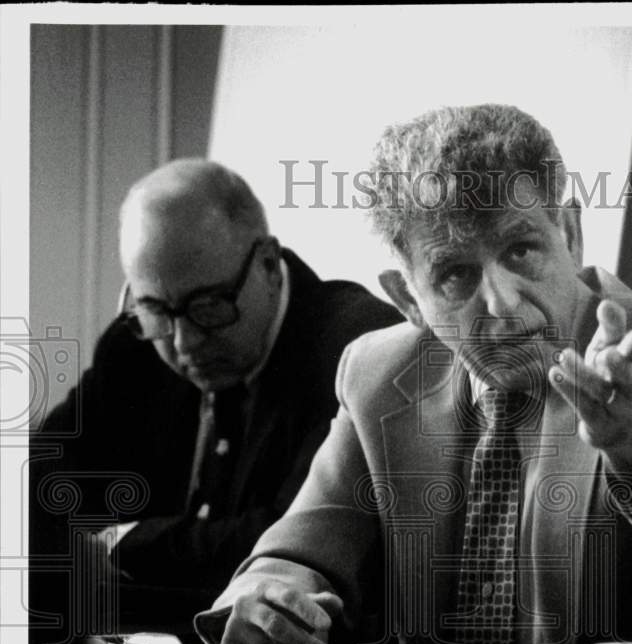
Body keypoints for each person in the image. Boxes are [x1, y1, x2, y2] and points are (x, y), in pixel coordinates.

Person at [196, 104, 632, 644]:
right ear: (406, 297)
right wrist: (269, 600)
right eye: (455, 274)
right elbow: (299, 550)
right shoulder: (376, 375)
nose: (502, 303)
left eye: (521, 250)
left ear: (569, 234)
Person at [31, 159, 401, 600]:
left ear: (267, 263)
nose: (185, 343)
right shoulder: (135, 341)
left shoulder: (355, 349)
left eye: (209, 307)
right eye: (157, 311)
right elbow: (37, 481)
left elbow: (294, 539)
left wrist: (119, 543)